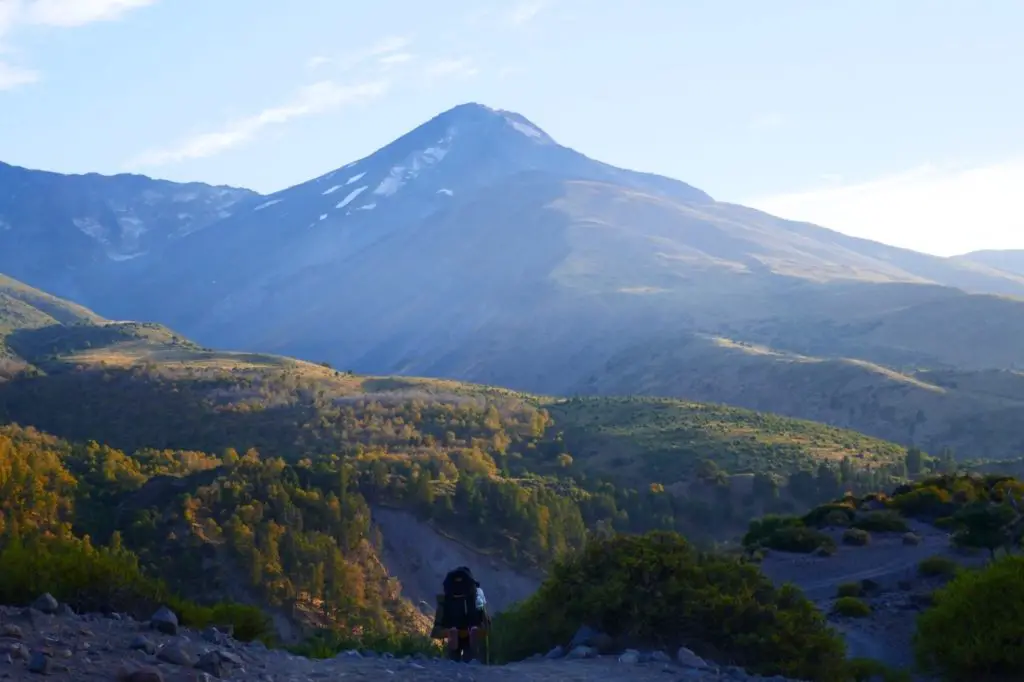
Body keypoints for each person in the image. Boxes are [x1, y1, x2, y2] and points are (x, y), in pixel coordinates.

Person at [432, 566, 489, 662]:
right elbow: (487, 626)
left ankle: (452, 634)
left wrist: (448, 632)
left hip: (452, 630)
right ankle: (472, 637)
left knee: (452, 661)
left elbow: (435, 631)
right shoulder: (477, 598)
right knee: (474, 658)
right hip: (472, 630)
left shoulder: (445, 600)